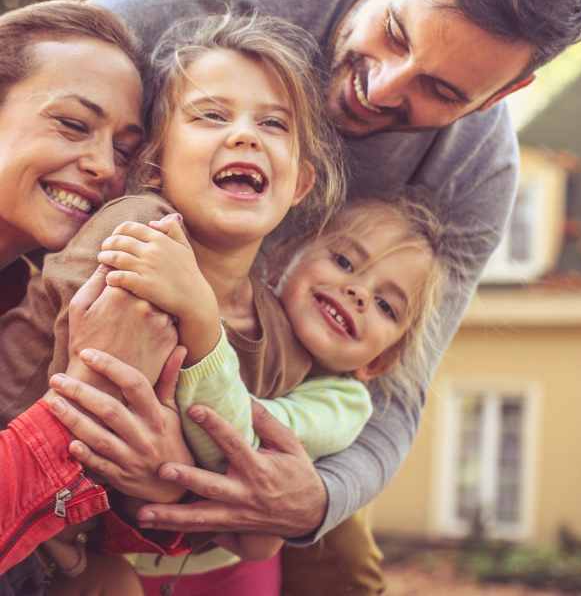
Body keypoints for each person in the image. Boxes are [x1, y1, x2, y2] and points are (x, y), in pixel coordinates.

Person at [76, 0, 581, 594]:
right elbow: (37, 98)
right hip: (97, 311)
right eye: (393, 31)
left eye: (441, 90)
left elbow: (395, 390)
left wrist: (316, 500)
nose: (380, 88)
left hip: (282, 391)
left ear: (507, 91)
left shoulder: (478, 170)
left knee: (345, 568)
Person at [0, 10, 349, 594]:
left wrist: (165, 489)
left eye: (273, 123)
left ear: (301, 184)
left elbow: (230, 504)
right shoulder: (141, 237)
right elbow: (87, 404)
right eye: (212, 115)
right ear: (157, 167)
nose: (101, 165)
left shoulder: (278, 326)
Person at [69, 195, 444, 595]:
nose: (358, 293)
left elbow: (237, 438)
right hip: (119, 545)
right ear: (285, 260)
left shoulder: (345, 402)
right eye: (344, 262)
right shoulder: (239, 312)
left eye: (386, 305)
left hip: (222, 572)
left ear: (379, 361)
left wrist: (199, 323)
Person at [0, 0, 179, 592]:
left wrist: (151, 482)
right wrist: (84, 401)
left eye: (125, 150)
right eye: (73, 124)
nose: (103, 165)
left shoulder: (35, 295)